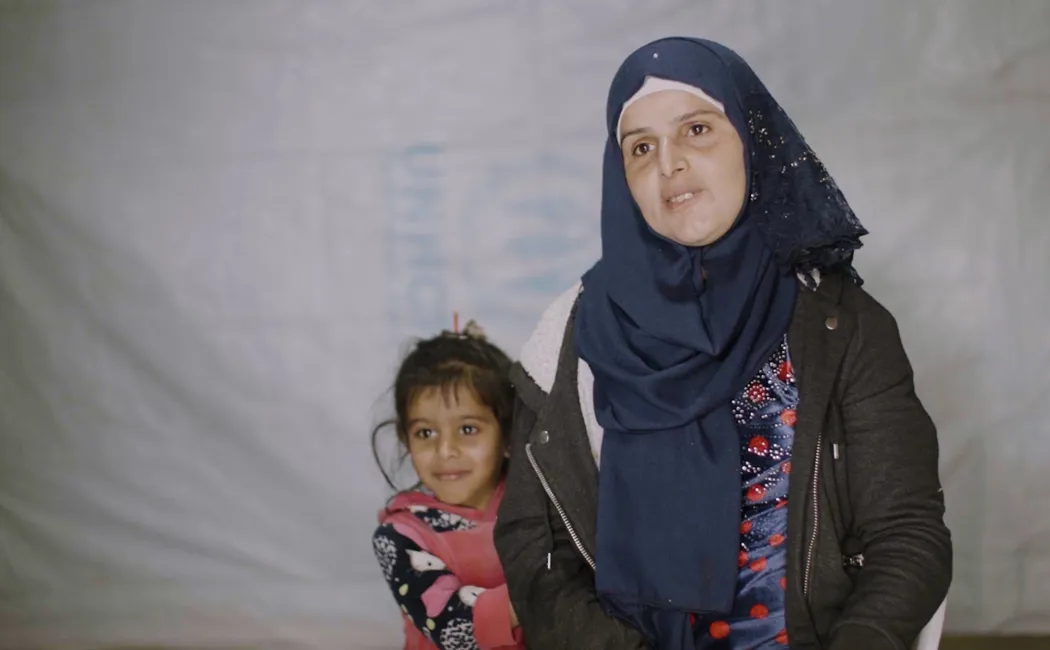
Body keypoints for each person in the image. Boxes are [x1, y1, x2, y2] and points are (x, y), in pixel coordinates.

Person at [493, 37, 952, 650]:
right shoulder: (569, 335)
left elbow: (906, 532)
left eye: (698, 130)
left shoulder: (842, 326)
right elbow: (534, 546)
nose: (669, 164)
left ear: (752, 141)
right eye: (641, 147)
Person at [371, 321, 525, 650]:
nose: (445, 451)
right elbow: (453, 629)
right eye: (425, 433)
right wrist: (547, 592)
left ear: (509, 436)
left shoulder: (535, 504)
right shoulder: (401, 537)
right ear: (406, 440)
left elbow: (568, 565)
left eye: (467, 429)